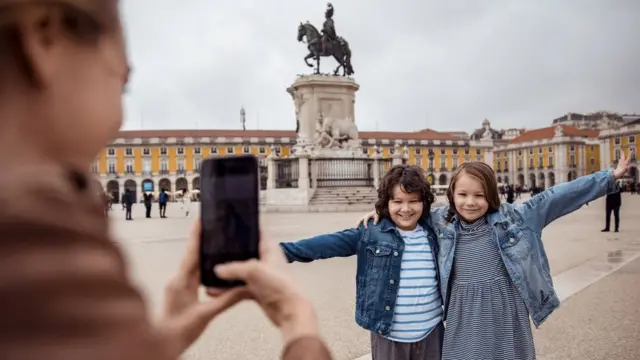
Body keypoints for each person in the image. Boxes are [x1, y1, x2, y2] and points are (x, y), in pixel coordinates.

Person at [0, 1, 333, 359]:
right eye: (120, 72)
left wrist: (153, 341)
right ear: (45, 39)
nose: (126, 73)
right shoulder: (31, 232)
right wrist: (298, 324)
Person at [357, 157, 629, 360]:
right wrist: (381, 212)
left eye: (479, 195)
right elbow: (406, 207)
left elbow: (557, 198)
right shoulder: (441, 221)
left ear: (492, 195)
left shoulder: (517, 218)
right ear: (451, 194)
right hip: (462, 316)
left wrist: (608, 177)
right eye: (462, 195)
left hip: (505, 314)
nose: (470, 202)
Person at [279, 165, 444, 360]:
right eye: (397, 201)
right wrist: (277, 253)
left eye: (413, 201)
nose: (406, 209)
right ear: (386, 203)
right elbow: (323, 245)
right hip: (389, 336)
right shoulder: (369, 232)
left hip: (431, 333)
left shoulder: (435, 232)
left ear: (424, 202)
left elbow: (464, 211)